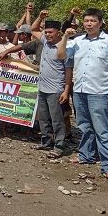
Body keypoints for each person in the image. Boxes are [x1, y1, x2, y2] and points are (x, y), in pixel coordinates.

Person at [57, 8, 108, 182]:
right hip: (79, 90)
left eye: (93, 21)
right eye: (86, 21)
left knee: (103, 130)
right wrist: (65, 37)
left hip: (99, 92)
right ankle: (86, 155)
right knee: (84, 126)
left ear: (100, 23)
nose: (89, 24)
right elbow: (61, 55)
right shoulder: (77, 41)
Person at [26, 20, 73, 158]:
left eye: (50, 32)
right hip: (42, 88)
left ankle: (59, 146)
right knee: (44, 118)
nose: (47, 35)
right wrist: (40, 17)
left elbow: (68, 72)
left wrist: (66, 91)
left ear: (58, 32)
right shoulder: (45, 42)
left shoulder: (65, 47)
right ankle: (46, 141)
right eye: (46, 32)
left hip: (56, 89)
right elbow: (33, 28)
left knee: (57, 119)